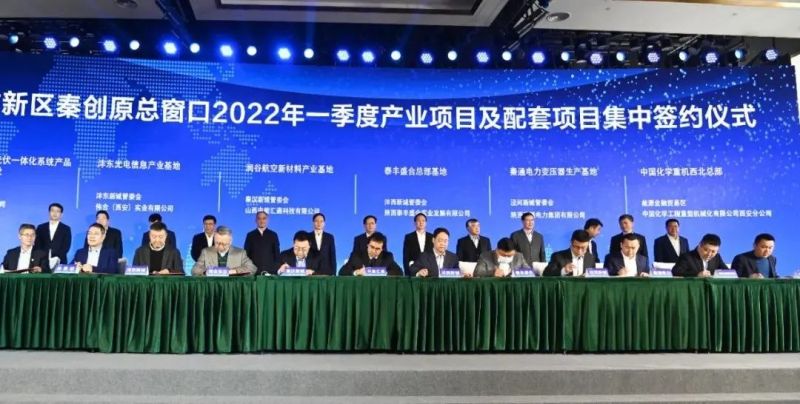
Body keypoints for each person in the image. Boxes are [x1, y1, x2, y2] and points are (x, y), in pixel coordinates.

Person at [192, 226, 256, 276]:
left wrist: (235, 271)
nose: (220, 246)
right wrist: (210, 271)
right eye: (217, 243)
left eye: (224, 244)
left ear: (230, 241)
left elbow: (252, 268)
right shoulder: (205, 252)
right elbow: (194, 270)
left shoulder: (240, 253)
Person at [243, 211, 280, 275]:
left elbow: (277, 254)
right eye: (259, 218)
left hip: (270, 272)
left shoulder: (273, 235)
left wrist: (275, 270)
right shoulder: (250, 235)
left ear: (267, 220)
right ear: (256, 220)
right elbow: (246, 254)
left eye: (264, 218)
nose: (261, 221)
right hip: (253, 271)